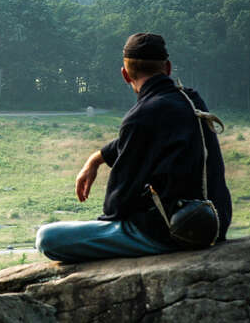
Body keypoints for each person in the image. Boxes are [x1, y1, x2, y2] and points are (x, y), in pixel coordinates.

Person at [35, 33, 232, 263]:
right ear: (167, 68)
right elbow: (142, 138)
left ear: (125, 74)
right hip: (213, 225)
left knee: (47, 238)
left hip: (170, 233)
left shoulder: (140, 117)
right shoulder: (191, 100)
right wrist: (96, 159)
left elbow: (117, 206)